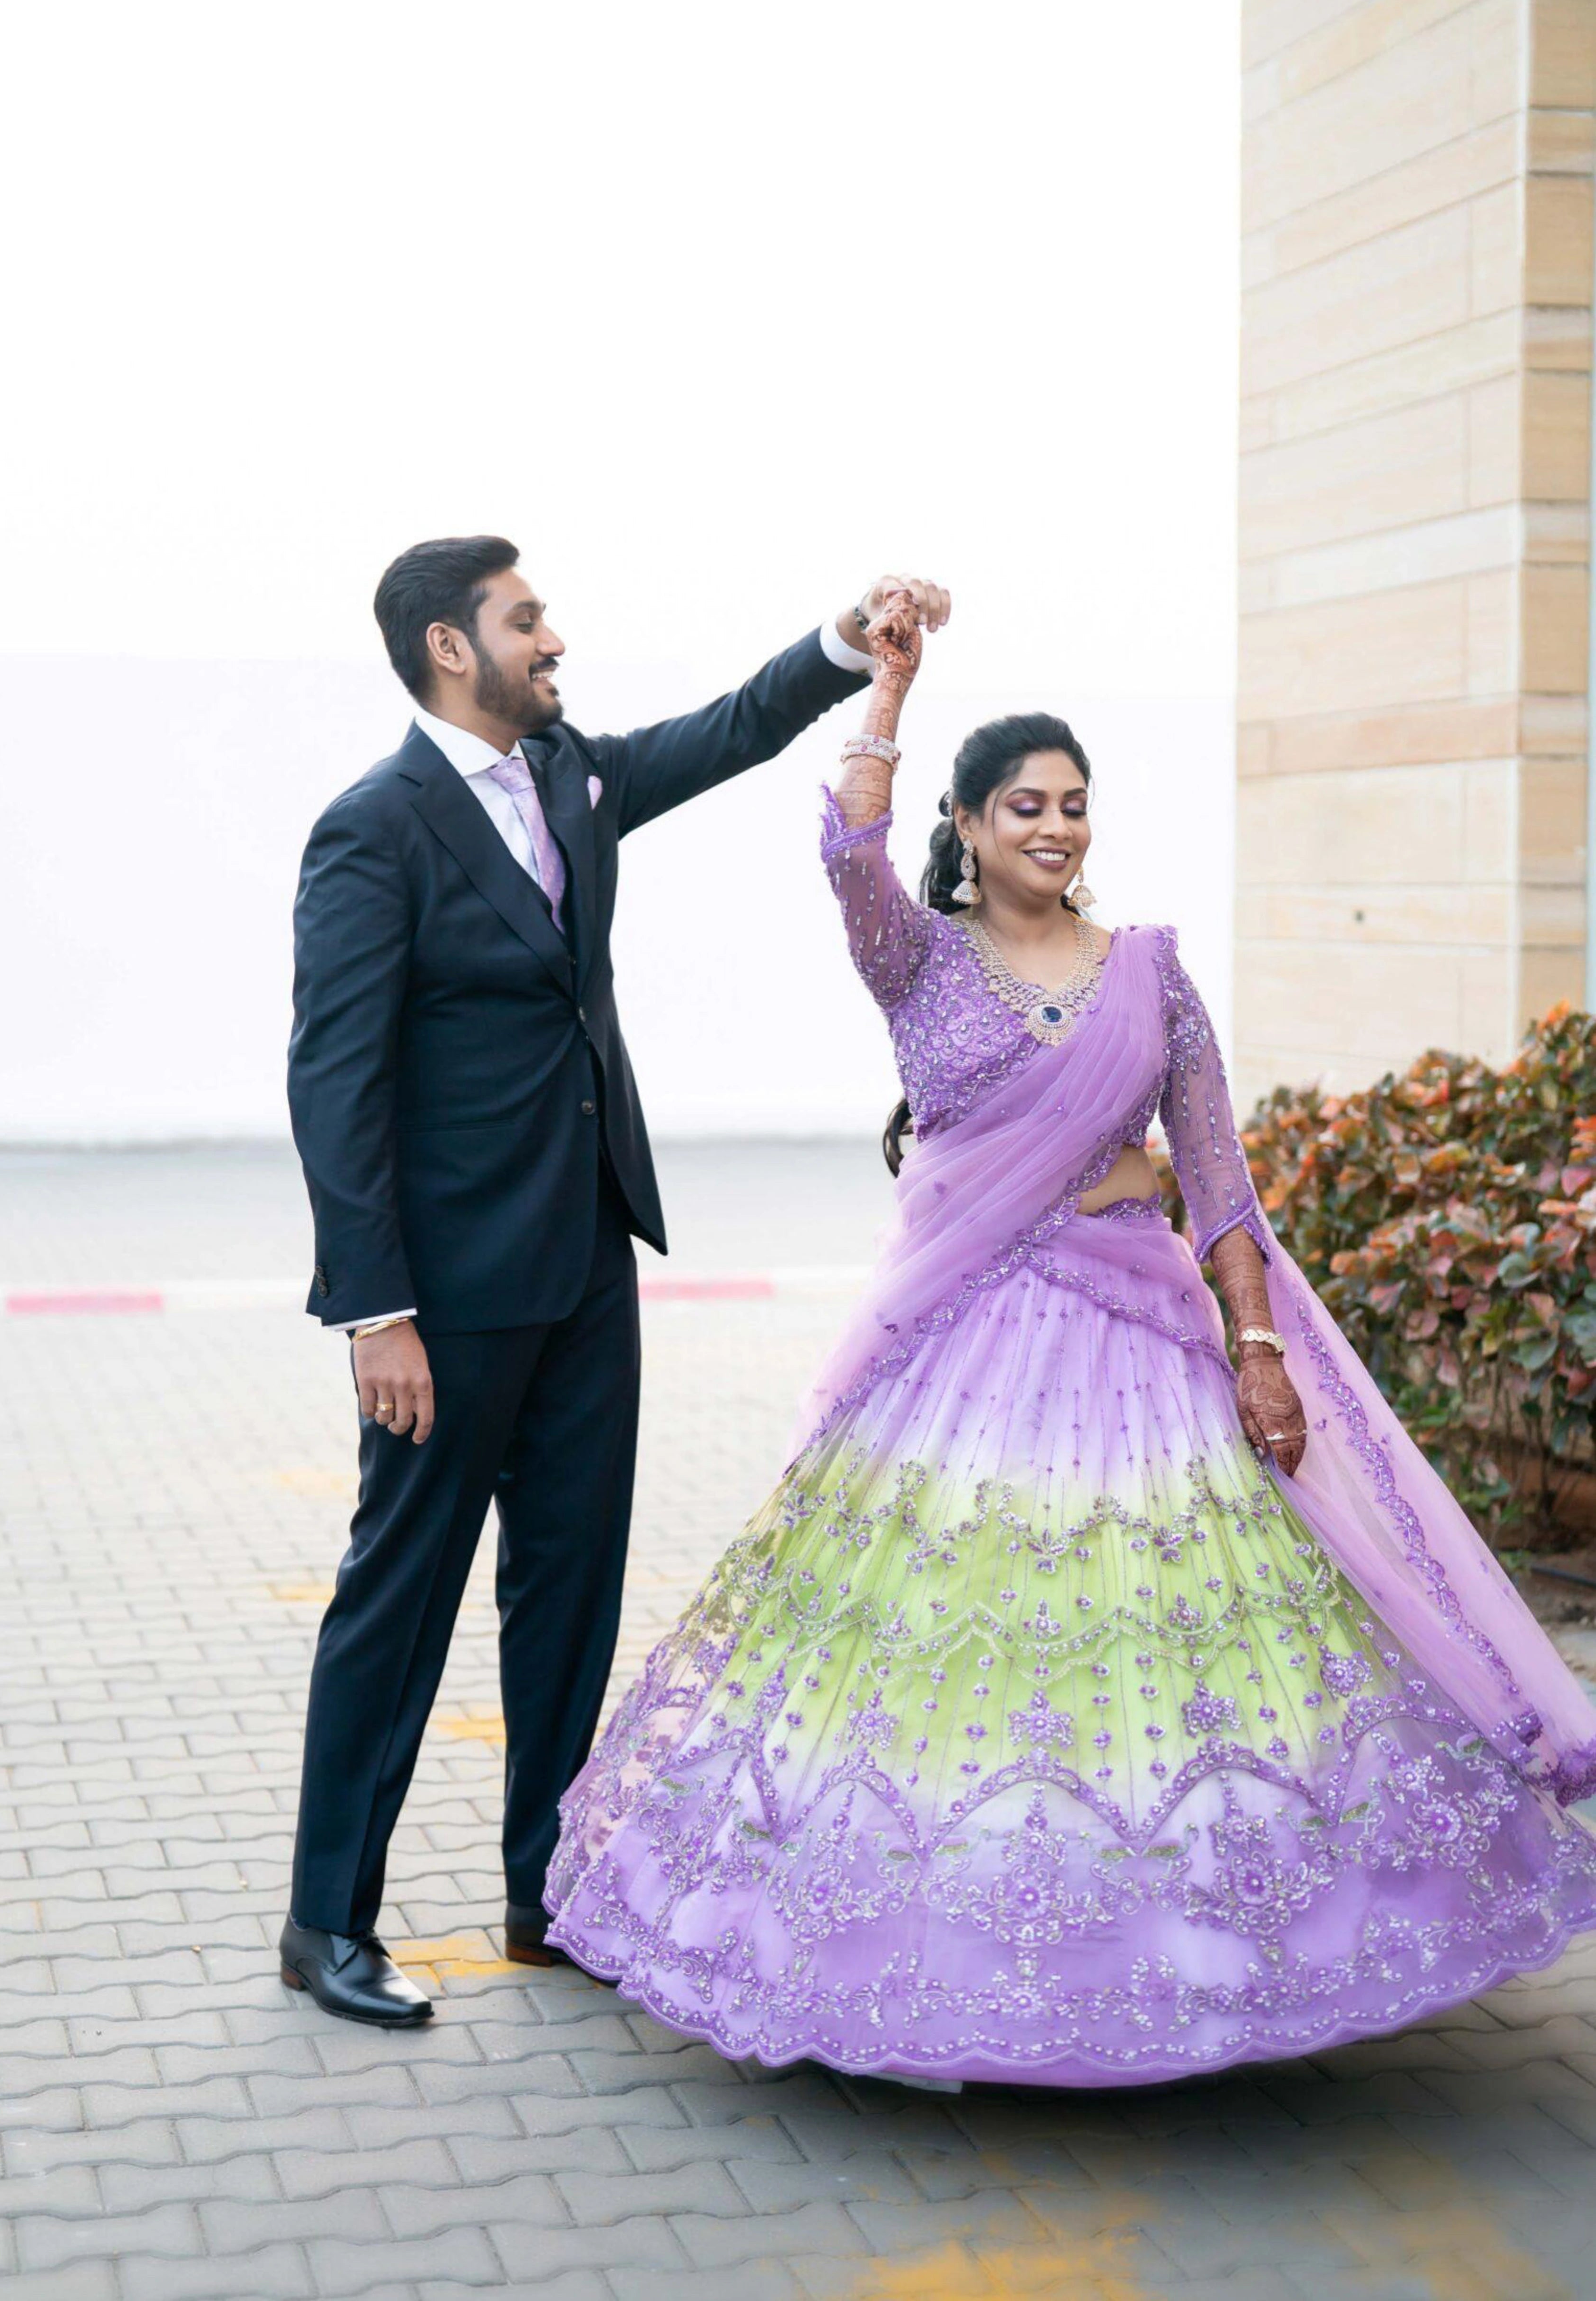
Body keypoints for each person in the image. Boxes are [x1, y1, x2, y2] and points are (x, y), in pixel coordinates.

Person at [544, 593, 1596, 2085]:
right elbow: (845, 853)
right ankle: (929, 1959)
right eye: (1025, 806)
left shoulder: (1149, 971)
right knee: (959, 1645)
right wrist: (888, 692)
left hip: (1142, 1342)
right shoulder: (916, 958)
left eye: (1074, 805)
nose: (1054, 827)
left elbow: (1219, 1181)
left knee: (1174, 1643)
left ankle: (1210, 1961)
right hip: (962, 1356)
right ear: (969, 826)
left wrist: (1260, 1350)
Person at [279, 536, 951, 2026]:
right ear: (451, 647)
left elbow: (731, 730)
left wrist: (848, 642)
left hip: (588, 1258)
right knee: (401, 1596)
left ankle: (549, 1895)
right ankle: (327, 1921)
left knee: (571, 1587)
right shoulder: (373, 829)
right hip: (449, 1295)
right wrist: (375, 1310)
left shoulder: (574, 777)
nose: (553, 639)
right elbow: (334, 1081)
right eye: (526, 619)